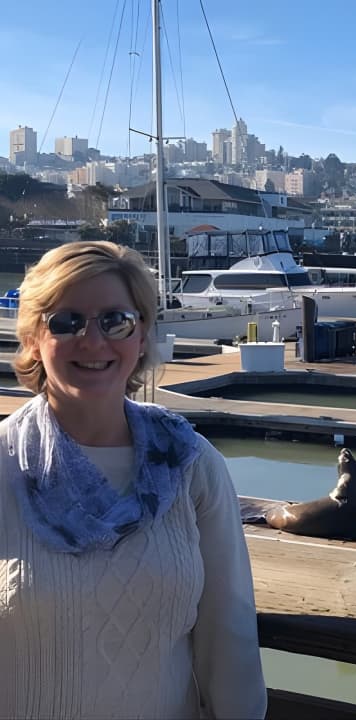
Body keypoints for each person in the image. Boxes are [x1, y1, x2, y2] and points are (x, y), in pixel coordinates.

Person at [0, 241, 267, 719]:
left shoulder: (192, 465)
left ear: (141, 335)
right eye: (66, 322)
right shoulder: (3, 465)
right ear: (34, 337)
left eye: (116, 321)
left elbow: (230, 635)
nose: (93, 340)